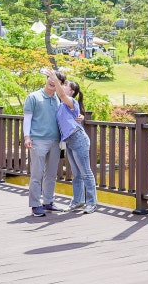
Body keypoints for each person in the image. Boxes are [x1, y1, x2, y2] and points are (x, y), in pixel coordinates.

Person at [48, 71, 97, 213]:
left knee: (86, 172)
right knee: (77, 173)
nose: (62, 87)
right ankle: (78, 201)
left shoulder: (71, 101)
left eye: (65, 85)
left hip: (78, 138)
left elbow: (62, 95)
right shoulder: (61, 104)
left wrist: (54, 79)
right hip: (69, 140)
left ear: (72, 91)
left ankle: (92, 202)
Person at [24, 69, 66, 217]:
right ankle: (35, 204)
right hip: (38, 140)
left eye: (56, 81)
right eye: (50, 78)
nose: (52, 82)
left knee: (51, 174)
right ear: (47, 78)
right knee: (37, 174)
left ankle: (48, 201)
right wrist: (27, 137)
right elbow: (27, 118)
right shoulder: (33, 97)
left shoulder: (58, 99)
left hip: (55, 141)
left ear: (60, 85)